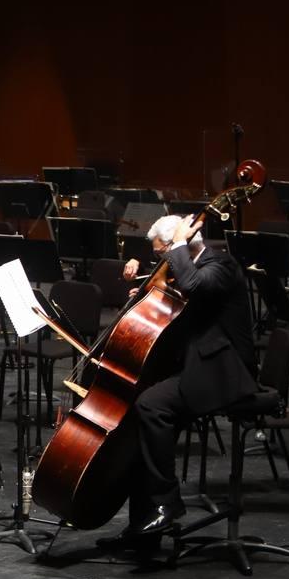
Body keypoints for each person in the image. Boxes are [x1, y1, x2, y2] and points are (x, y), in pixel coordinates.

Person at [100, 213, 257, 553]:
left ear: (179, 245)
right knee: (142, 411)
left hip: (224, 372)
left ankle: (167, 504)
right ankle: (144, 527)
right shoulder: (186, 266)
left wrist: (179, 248)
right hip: (194, 364)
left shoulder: (221, 265)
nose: (160, 262)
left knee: (152, 405)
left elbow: (195, 286)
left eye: (162, 254)